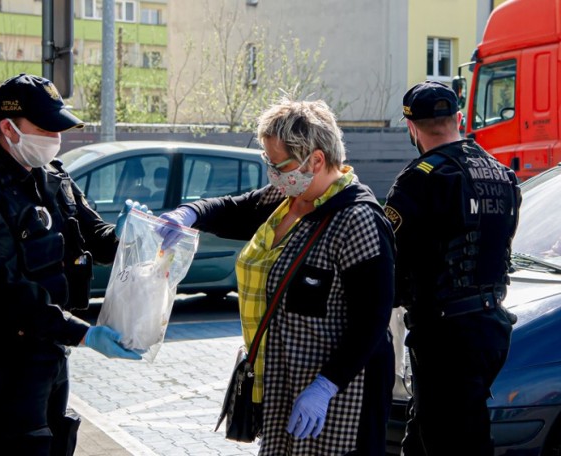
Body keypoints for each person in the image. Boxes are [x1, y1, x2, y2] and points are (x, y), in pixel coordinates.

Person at [159, 96, 396, 455]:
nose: (272, 173)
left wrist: (325, 387)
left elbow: (373, 319)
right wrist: (189, 214)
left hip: (337, 394)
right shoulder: (287, 197)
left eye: (278, 164)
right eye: (267, 162)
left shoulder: (358, 219)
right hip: (283, 383)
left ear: (316, 160)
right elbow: (232, 209)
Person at [0, 73, 144, 456]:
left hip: (48, 347)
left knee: (55, 442)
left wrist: (130, 235)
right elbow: (3, 291)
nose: (54, 137)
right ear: (8, 127)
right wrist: (84, 333)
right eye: (44, 128)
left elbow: (97, 239)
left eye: (57, 128)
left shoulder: (53, 176)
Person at [383, 81, 522, 455]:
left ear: (412, 128)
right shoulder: (503, 175)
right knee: (427, 433)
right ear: (458, 118)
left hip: (446, 335)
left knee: (454, 442)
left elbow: (392, 266)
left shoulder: (418, 181)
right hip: (492, 326)